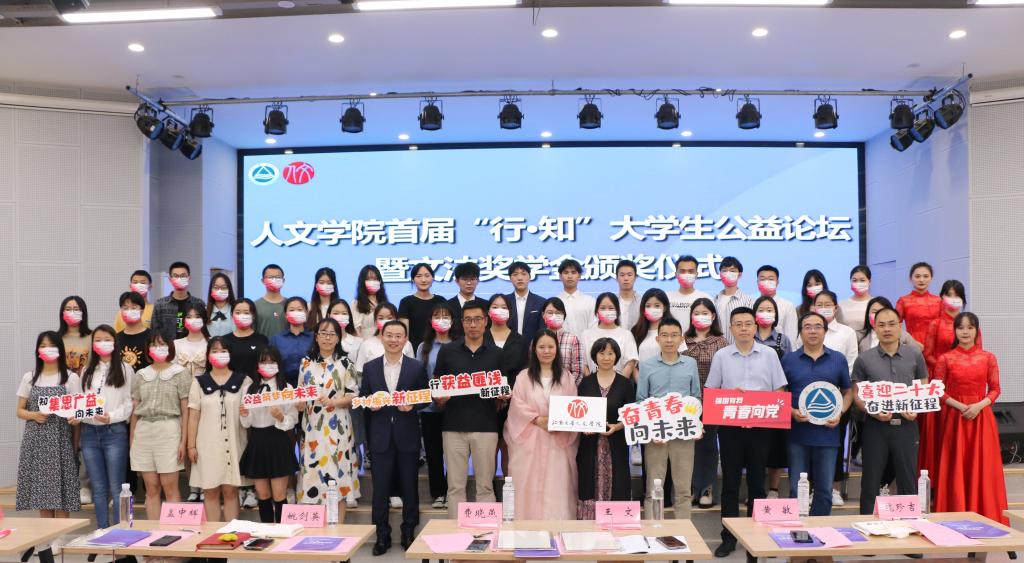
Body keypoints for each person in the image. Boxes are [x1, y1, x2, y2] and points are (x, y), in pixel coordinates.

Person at [706, 307, 787, 558]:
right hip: (730, 428)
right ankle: (728, 538)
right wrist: (730, 397)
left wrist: (758, 410)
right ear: (731, 328)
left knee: (757, 483)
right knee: (730, 483)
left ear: (755, 327)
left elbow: (780, 391)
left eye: (748, 324)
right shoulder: (721, 356)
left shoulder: (769, 354)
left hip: (760, 428)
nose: (743, 328)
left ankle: (756, 537)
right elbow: (711, 392)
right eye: (738, 324)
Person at [433, 299, 506, 518]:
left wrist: (503, 397)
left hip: (486, 428)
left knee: (485, 486)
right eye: (468, 320)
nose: (472, 324)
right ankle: (456, 534)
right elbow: (437, 385)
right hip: (453, 427)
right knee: (455, 487)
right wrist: (439, 398)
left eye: (477, 319)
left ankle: (487, 532)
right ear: (462, 323)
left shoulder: (497, 354)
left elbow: (502, 391)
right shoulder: (447, 352)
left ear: (486, 321)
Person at [852, 307, 928, 516]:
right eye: (881, 325)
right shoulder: (864, 359)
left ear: (900, 326)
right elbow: (857, 394)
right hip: (876, 427)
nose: (887, 329)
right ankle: (867, 526)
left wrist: (916, 408)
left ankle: (910, 526)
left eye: (892, 324)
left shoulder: (914, 354)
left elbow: (923, 385)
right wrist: (872, 411)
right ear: (875, 328)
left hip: (906, 426)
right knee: (870, 480)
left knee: (908, 479)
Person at [361, 321, 429, 555]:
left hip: (407, 436)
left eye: (398, 336)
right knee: (379, 489)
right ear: (381, 337)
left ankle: (409, 532)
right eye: (389, 335)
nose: (393, 340)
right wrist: (370, 404)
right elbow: (363, 397)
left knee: (410, 487)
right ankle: (382, 535)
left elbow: (426, 396)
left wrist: (413, 405)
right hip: (380, 437)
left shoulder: (416, 367)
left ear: (405, 340)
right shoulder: (370, 368)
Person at [933, 313, 1008, 524]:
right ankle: (955, 517)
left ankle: (986, 517)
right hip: (955, 419)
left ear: (977, 330)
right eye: (960, 328)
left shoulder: (988, 358)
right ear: (955, 331)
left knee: (982, 466)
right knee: (956, 465)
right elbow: (937, 390)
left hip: (982, 418)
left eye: (970, 327)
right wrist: (960, 406)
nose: (965, 332)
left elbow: (995, 389)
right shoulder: (945, 358)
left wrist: (978, 406)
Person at [782, 312, 853, 516]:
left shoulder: (838, 359)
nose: (812, 331)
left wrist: (840, 412)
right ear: (800, 332)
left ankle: (820, 530)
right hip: (797, 434)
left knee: (824, 490)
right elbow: (780, 393)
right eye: (807, 327)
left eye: (817, 327)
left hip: (828, 435)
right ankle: (796, 529)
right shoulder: (789, 359)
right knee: (797, 488)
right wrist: (791, 411)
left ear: (825, 331)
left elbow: (848, 392)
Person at [505, 329, 579, 519]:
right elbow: (517, 405)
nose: (546, 351)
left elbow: (573, 406)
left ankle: (557, 528)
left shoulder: (566, 377)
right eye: (542, 347)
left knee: (557, 484)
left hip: (558, 440)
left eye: (550, 347)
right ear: (534, 349)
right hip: (530, 440)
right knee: (528, 484)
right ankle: (527, 526)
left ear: (557, 349)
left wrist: (555, 421)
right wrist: (538, 419)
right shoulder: (523, 376)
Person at [16, 332, 82, 544]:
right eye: (43, 345)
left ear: (60, 349)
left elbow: (79, 411)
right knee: (42, 493)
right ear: (38, 350)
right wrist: (34, 415)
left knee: (62, 493)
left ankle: (60, 539)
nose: (47, 349)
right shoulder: (30, 377)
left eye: (51, 345)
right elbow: (19, 410)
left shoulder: (71, 378)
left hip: (61, 441)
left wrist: (76, 426)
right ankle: (47, 540)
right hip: (36, 442)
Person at [636, 318, 701, 519]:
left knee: (683, 490)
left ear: (681, 339)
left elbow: (696, 397)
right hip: (656, 435)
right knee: (653, 488)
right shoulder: (647, 365)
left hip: (683, 434)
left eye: (674, 335)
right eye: (664, 335)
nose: (669, 340)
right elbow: (641, 400)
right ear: (657, 339)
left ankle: (684, 534)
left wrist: (695, 423)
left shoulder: (690, 364)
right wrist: (650, 429)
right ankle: (653, 533)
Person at [298, 318, 360, 512]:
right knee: (313, 475)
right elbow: (300, 394)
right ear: (316, 337)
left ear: (338, 338)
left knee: (338, 477)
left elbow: (354, 396)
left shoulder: (346, 363)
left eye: (332, 334)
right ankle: (317, 526)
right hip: (312, 427)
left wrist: (334, 402)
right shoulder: (305, 364)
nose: (327, 338)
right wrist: (298, 403)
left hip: (338, 426)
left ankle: (338, 527)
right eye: (323, 333)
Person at [920, 280, 978, 481]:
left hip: (964, 384)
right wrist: (946, 367)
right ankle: (938, 480)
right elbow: (927, 354)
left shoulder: (971, 325)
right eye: (949, 294)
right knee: (940, 434)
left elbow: (977, 354)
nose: (953, 299)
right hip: (941, 383)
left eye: (957, 295)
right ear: (942, 297)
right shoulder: (935, 324)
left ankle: (963, 479)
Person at [187, 336, 250, 522]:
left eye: (223, 351)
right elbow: (193, 416)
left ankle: (232, 533)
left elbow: (250, 415)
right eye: (214, 351)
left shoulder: (244, 381)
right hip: (207, 445)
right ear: (208, 355)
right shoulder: (199, 382)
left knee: (231, 491)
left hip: (235, 442)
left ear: (231, 354)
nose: (219, 354)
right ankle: (213, 534)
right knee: (210, 491)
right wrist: (191, 446)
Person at [79, 325, 135, 529]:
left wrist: (111, 417)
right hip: (89, 433)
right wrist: (79, 414)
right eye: (98, 340)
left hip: (114, 432)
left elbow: (129, 403)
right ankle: (102, 530)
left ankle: (122, 531)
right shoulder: (86, 370)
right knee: (98, 487)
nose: (102, 343)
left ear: (114, 342)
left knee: (117, 486)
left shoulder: (125, 369)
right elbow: (81, 401)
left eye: (107, 339)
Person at [130, 332, 190, 520]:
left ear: (170, 347)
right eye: (154, 345)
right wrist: (132, 439)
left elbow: (186, 410)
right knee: (151, 488)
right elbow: (135, 410)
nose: (158, 348)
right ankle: (154, 533)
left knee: (170, 487)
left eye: (162, 344)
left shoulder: (180, 373)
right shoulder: (141, 374)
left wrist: (184, 442)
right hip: (144, 430)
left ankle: (174, 533)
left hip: (169, 428)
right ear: (148, 349)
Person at [577, 337, 635, 519]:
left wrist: (617, 427)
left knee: (618, 482)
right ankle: (589, 523)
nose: (606, 357)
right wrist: (583, 426)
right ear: (595, 356)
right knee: (589, 482)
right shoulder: (585, 383)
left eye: (610, 353)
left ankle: (615, 522)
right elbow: (577, 413)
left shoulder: (625, 383)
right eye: (602, 353)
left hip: (616, 443)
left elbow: (632, 415)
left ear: (617, 356)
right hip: (589, 444)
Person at [240, 347, 299, 523]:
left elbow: (293, 419)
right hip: (257, 441)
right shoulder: (249, 389)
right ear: (257, 365)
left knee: (279, 495)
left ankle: (281, 532)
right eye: (263, 362)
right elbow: (246, 423)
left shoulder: (286, 388)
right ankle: (266, 531)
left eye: (272, 362)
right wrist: (244, 414)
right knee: (263, 494)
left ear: (278, 364)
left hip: (278, 440)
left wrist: (281, 417)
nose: (267, 365)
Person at [683, 298, 729, 509]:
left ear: (713, 316)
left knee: (709, 446)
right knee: (690, 446)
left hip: (713, 400)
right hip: (688, 402)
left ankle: (707, 488)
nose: (700, 316)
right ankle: (692, 487)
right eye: (696, 313)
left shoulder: (721, 342)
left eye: (705, 313)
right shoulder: (683, 340)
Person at [752, 295, 792, 499]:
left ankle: (774, 489)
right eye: (761, 309)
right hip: (751, 400)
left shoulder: (783, 340)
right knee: (754, 448)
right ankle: (755, 487)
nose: (765, 313)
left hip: (776, 398)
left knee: (776, 447)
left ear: (776, 315)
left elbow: (788, 369)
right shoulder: (748, 336)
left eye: (770, 310)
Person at [416, 302, 455, 510]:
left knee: (454, 453)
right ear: (431, 321)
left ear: (453, 321)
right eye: (437, 316)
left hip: (455, 407)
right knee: (433, 453)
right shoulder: (424, 347)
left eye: (445, 316)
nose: (442, 320)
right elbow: (419, 376)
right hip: (430, 408)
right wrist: (432, 397)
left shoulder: (459, 344)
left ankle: (452, 491)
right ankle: (438, 493)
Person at [487, 293, 525, 478]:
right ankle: (490, 492)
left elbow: (524, 371)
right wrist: (494, 394)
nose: (499, 310)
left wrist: (508, 393)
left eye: (504, 307)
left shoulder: (520, 340)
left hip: (513, 402)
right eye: (495, 307)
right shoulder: (480, 337)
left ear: (510, 312)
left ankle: (510, 491)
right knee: (489, 449)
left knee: (509, 448)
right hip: (485, 403)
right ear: (488, 311)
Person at [581, 292, 640, 379]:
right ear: (596, 311)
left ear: (617, 311)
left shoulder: (626, 334)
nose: (607, 311)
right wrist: (591, 382)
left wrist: (618, 383)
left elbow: (630, 363)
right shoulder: (586, 334)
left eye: (611, 308)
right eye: (603, 308)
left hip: (620, 384)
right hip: (592, 384)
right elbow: (583, 363)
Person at [398, 263, 447, 351]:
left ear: (433, 278)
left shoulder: (441, 301)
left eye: (427, 276)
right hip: (414, 350)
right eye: (419, 276)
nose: (423, 280)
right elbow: (403, 332)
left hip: (439, 349)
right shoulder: (406, 302)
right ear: (413, 279)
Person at [355, 302, 416, 373]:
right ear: (375, 322)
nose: (385, 321)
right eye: (381, 318)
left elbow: (413, 370)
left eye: (389, 318)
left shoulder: (406, 343)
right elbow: (360, 372)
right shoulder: (366, 344)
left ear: (396, 320)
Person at [153, 261, 206, 341]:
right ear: (170, 279)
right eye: (176, 276)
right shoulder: (160, 304)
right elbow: (155, 331)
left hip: (192, 346)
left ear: (189, 278)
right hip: (168, 347)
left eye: (183, 276)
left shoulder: (199, 303)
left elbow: (203, 329)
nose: (179, 279)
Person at [271, 296, 315, 388]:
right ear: (285, 315)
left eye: (300, 310)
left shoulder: (314, 338)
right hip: (284, 387)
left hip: (310, 386)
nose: (296, 313)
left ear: (307, 313)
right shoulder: (276, 339)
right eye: (292, 310)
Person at [896, 262, 941, 349]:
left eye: (926, 276)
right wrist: (910, 341)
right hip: (912, 346)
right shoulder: (903, 301)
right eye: (917, 276)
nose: (921, 280)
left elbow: (944, 326)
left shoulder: (938, 301)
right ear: (910, 278)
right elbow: (895, 326)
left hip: (935, 346)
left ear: (931, 278)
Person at [539, 297, 584, 385]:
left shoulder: (573, 339)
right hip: (541, 388)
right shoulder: (537, 339)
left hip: (566, 390)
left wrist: (565, 388)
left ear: (564, 315)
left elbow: (578, 372)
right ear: (543, 314)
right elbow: (533, 366)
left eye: (558, 313)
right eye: (550, 312)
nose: (554, 316)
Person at [222, 298, 269, 379]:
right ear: (232, 315)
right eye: (237, 312)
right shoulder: (224, 340)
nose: (242, 316)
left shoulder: (262, 340)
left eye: (246, 313)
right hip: (231, 384)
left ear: (253, 315)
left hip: (256, 384)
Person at [714, 257, 754, 345]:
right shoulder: (714, 300)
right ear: (720, 274)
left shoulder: (748, 301)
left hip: (740, 349)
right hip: (717, 350)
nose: (728, 273)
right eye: (724, 270)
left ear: (739, 275)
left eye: (732, 271)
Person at [506, 261, 546, 346]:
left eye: (524, 274)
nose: (520, 278)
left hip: (532, 348)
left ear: (530, 277)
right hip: (507, 348)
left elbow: (542, 330)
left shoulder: (541, 302)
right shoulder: (504, 302)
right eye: (515, 274)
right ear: (510, 278)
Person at [755, 265, 798, 343]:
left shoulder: (788, 306)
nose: (766, 282)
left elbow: (791, 336)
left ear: (777, 282)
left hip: (780, 349)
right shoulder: (751, 304)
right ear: (757, 282)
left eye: (771, 279)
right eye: (763, 279)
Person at [668, 255, 712, 331]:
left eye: (691, 271)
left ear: (696, 275)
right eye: (682, 271)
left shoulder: (706, 298)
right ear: (676, 275)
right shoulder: (667, 297)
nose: (687, 274)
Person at [631, 288, 675, 362]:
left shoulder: (674, 329)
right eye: (648, 306)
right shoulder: (636, 330)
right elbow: (632, 360)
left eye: (657, 306)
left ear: (664, 308)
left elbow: (680, 358)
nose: (652, 309)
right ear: (643, 308)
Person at [557, 258, 597, 336]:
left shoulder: (590, 301)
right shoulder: (555, 302)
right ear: (560, 276)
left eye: (573, 272)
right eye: (566, 272)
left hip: (586, 343)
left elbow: (594, 327)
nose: (570, 276)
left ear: (579, 276)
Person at [117, 291, 152, 371]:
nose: (129, 311)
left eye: (133, 308)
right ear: (121, 311)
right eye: (125, 308)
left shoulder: (153, 336)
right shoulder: (115, 338)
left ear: (142, 311)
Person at [353, 264, 390, 338]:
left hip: (384, 340)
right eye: (368, 279)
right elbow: (356, 327)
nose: (372, 282)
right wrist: (364, 343)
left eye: (375, 279)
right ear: (362, 282)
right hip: (365, 340)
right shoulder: (357, 303)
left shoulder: (385, 303)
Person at [174, 303, 209, 377]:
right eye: (189, 317)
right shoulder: (176, 344)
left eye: (197, 317)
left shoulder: (211, 343)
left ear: (204, 319)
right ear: (184, 320)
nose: (193, 320)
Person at [58, 295, 92, 374]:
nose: (72, 312)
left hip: (86, 380)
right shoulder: (55, 338)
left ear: (83, 313)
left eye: (76, 309)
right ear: (62, 313)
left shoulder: (93, 337)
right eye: (68, 309)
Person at [254, 264, 287, 339]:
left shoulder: (290, 305)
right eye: (270, 277)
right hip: (262, 346)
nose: (274, 280)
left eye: (277, 277)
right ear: (263, 281)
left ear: (283, 280)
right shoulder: (255, 305)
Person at [839, 265, 873, 332]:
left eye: (862, 280)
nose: (858, 283)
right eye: (854, 280)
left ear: (869, 281)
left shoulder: (875, 304)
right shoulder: (841, 304)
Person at [307, 267, 340, 331]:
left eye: (329, 283)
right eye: (321, 282)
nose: (325, 285)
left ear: (334, 285)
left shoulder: (339, 307)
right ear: (316, 285)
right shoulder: (309, 307)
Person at [615, 259, 642, 330]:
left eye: (629, 275)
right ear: (616, 278)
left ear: (635, 277)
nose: (626, 278)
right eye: (622, 275)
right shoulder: (612, 302)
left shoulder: (643, 302)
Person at [206, 273, 236, 337]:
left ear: (229, 290)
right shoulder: (205, 311)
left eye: (223, 287)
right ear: (211, 290)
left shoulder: (235, 311)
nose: (219, 291)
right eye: (216, 287)